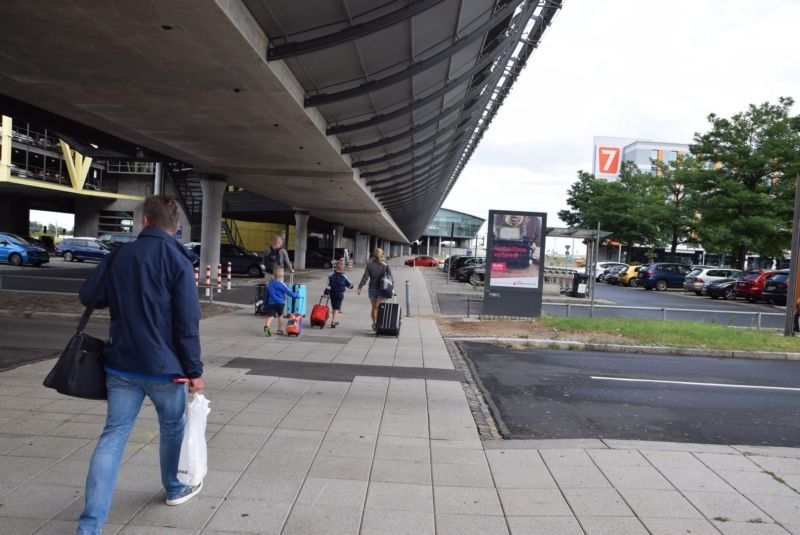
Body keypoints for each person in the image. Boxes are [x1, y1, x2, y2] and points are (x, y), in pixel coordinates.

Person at [76, 196, 204, 535]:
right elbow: (188, 322)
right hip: (166, 368)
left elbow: (90, 297)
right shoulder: (178, 261)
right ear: (176, 228)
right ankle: (174, 488)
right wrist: (195, 371)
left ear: (144, 220)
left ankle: (89, 526)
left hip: (121, 365)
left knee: (113, 436)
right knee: (172, 427)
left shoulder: (120, 255)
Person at [357, 248, 392, 331]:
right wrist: (391, 287)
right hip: (383, 289)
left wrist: (360, 287)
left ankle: (375, 323)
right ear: (381, 254)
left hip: (372, 288)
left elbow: (365, 277)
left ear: (373, 255)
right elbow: (390, 276)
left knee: (374, 307)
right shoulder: (385, 264)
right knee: (380, 307)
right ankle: (380, 324)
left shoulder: (370, 265)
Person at [263, 266, 298, 336]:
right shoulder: (281, 284)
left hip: (271, 303)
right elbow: (288, 291)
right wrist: (296, 296)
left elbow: (267, 294)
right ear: (280, 275)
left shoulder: (270, 284)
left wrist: (265, 303)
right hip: (280, 303)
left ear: (273, 275)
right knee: (280, 315)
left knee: (271, 316)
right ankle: (279, 330)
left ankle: (267, 326)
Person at [325, 259, 354, 328]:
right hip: (340, 294)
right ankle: (334, 321)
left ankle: (334, 320)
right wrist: (352, 286)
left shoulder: (331, 276)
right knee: (337, 308)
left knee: (334, 307)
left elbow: (328, 286)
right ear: (343, 268)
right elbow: (350, 286)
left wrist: (326, 293)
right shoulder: (344, 276)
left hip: (332, 294)